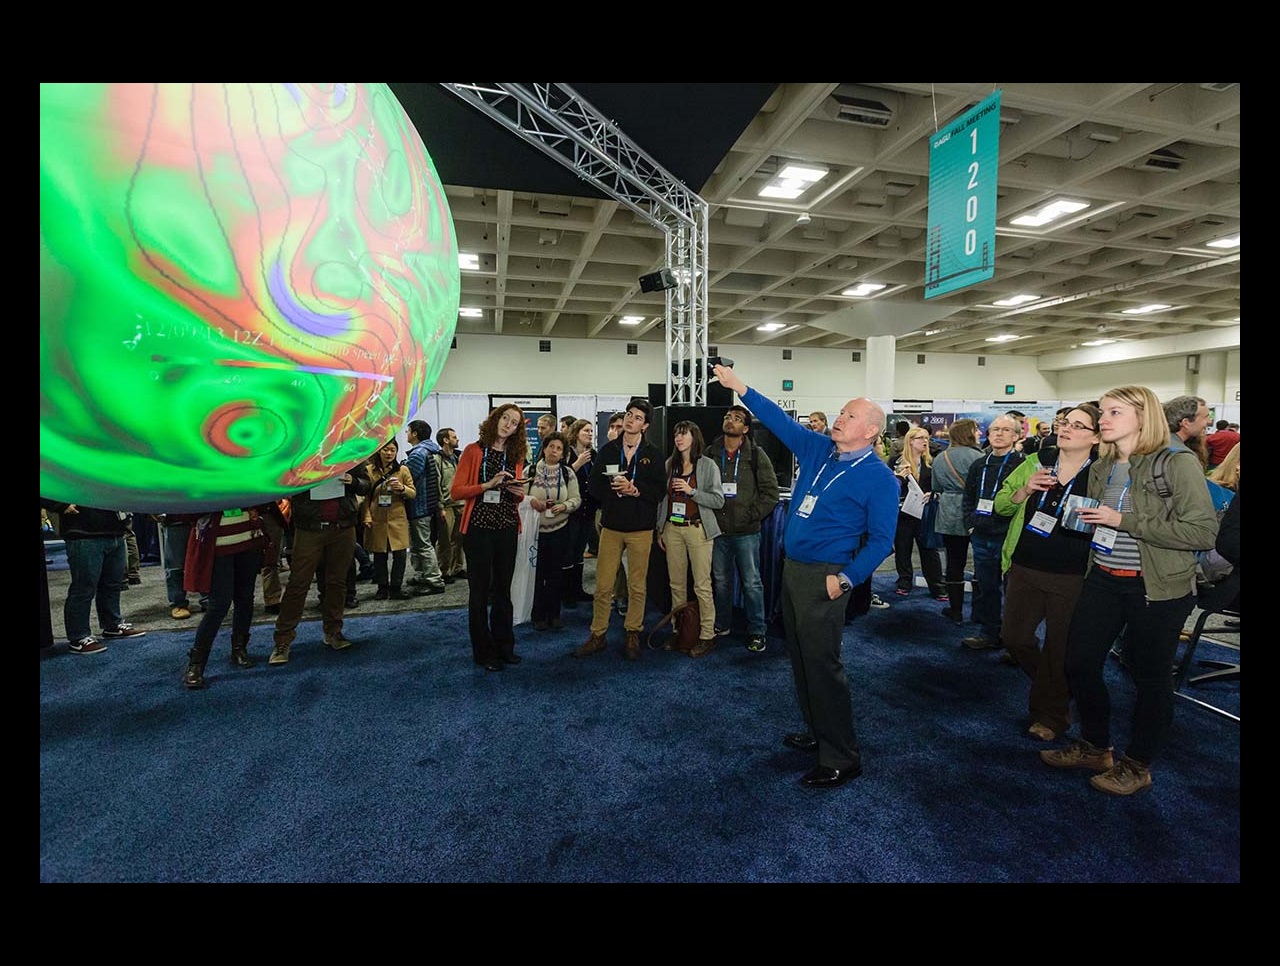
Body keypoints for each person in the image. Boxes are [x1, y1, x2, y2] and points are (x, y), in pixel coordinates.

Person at [715, 363, 898, 787]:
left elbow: (881, 541)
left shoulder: (879, 479)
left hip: (827, 579)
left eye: (850, 415)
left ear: (870, 431)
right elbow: (778, 420)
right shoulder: (819, 451)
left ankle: (842, 756)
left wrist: (846, 580)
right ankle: (818, 732)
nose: (839, 418)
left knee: (822, 666)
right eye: (841, 412)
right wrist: (741, 387)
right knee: (800, 659)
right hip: (794, 571)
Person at [1040, 385, 1218, 796]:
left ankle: (1137, 765)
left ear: (1144, 416)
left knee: (1150, 678)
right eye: (1102, 411)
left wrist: (1124, 521)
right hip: (1103, 576)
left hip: (1157, 587)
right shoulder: (1104, 464)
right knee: (1080, 663)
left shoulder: (1176, 463)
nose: (1103, 419)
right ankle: (1095, 745)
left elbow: (1203, 531)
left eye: (1114, 412)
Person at [993, 404, 1102, 741]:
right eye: (1065, 423)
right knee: (1014, 638)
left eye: (1079, 426)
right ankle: (1057, 689)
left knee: (1059, 647)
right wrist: (1025, 490)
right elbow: (1001, 504)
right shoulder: (1038, 460)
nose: (1066, 429)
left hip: (1072, 573)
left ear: (1096, 437)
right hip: (1025, 563)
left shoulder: (1102, 472)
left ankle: (1050, 716)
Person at [575, 397, 666, 662]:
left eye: (638, 417)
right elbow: (593, 486)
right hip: (612, 526)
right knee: (603, 585)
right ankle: (598, 634)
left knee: (637, 586)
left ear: (645, 425)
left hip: (640, 529)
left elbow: (660, 490)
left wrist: (636, 489)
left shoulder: (653, 454)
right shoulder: (607, 451)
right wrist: (612, 492)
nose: (631, 419)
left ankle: (632, 632)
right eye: (629, 414)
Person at [451, 404, 530, 672]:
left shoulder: (515, 454)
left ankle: (504, 647)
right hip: (479, 530)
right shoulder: (474, 451)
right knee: (479, 592)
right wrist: (488, 484)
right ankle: (483, 652)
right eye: (505, 418)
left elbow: (517, 494)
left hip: (507, 528)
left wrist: (517, 490)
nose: (508, 424)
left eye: (514, 422)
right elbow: (456, 491)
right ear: (494, 419)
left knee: (503, 591)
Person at [268, 461, 371, 665]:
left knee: (337, 582)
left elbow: (366, 485)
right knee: (298, 584)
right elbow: (283, 482)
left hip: (342, 527)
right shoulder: (303, 452)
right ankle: (283, 640)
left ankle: (333, 631)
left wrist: (353, 481)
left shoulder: (347, 450)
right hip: (309, 528)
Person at [181, 503, 282, 688]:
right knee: (219, 605)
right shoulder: (204, 475)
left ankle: (239, 649)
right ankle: (196, 663)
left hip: (248, 540)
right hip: (218, 546)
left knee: (245, 598)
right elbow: (188, 510)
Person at [707, 404, 780, 653]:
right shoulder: (709, 453)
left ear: (746, 428)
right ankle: (722, 624)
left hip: (747, 532)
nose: (730, 421)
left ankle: (757, 630)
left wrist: (751, 516)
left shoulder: (757, 455)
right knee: (721, 582)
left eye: (737, 418)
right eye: (727, 416)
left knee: (752, 583)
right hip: (718, 531)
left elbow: (771, 494)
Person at [38, 499, 147, 654]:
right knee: (84, 587)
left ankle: (112, 624)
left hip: (115, 529)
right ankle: (79, 636)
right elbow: (49, 482)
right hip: (83, 531)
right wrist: (60, 506)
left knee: (112, 583)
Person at [656, 420, 726, 657]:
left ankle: (707, 635)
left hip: (698, 529)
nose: (678, 438)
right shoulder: (670, 464)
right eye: (676, 433)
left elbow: (718, 500)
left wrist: (691, 492)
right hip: (672, 529)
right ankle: (680, 631)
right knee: (676, 584)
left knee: (701, 585)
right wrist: (660, 528)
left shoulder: (708, 466)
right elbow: (662, 500)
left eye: (684, 434)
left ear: (694, 438)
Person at [960, 413, 1025, 651]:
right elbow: (968, 497)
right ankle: (989, 634)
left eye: (1006, 430)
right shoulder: (979, 464)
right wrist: (970, 523)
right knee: (987, 589)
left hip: (1008, 536)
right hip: (981, 535)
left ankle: (1014, 643)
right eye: (995, 429)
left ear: (1017, 436)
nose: (998, 433)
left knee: (1014, 593)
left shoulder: (1023, 465)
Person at [525, 431, 581, 630]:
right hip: (535, 533)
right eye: (551, 447)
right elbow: (520, 500)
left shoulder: (568, 473)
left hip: (560, 530)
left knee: (556, 574)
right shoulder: (530, 471)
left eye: (559, 448)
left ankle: (554, 613)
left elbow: (576, 499)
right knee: (537, 575)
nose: (554, 451)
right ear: (544, 448)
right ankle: (538, 615)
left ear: (563, 452)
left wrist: (564, 506)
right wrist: (533, 502)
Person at [933, 418, 983, 624]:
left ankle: (955, 611)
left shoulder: (940, 458)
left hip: (948, 512)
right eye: (977, 430)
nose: (980, 433)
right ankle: (980, 612)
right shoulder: (980, 458)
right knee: (981, 562)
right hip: (976, 511)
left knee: (954, 562)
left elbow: (936, 487)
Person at [891, 426, 946, 599]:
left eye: (926, 438)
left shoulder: (933, 462)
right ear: (910, 441)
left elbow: (941, 486)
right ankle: (904, 582)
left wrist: (934, 493)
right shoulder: (895, 461)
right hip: (903, 513)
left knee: (930, 550)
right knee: (903, 549)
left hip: (925, 513)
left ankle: (937, 586)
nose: (925, 441)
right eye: (920, 438)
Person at [363, 438, 416, 600]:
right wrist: (366, 516)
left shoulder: (403, 470)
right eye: (386, 450)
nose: (389, 453)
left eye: (393, 450)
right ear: (379, 451)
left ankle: (396, 587)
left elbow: (413, 493)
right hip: (376, 517)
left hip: (397, 518)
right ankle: (382, 587)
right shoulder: (369, 470)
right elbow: (364, 497)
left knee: (400, 555)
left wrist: (402, 488)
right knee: (380, 555)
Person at [403, 420, 447, 596]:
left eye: (408, 431)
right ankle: (422, 575)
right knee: (418, 544)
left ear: (414, 433)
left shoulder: (418, 454)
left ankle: (434, 581)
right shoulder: (430, 450)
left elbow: (407, 478)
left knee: (423, 545)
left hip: (419, 505)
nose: (406, 434)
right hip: (427, 504)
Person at [562, 417, 598, 606]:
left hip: (588, 509)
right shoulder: (567, 453)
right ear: (576, 433)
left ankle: (578, 589)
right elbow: (560, 477)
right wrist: (576, 465)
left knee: (579, 551)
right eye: (586, 431)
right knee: (568, 551)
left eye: (591, 431)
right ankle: (566, 592)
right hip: (571, 511)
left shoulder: (593, 454)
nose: (590, 434)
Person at [433, 427, 467, 583]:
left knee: (459, 539)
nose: (457, 439)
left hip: (462, 503)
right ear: (445, 440)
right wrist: (440, 506)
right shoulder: (437, 459)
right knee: (445, 540)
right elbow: (437, 483)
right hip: (446, 505)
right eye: (454, 437)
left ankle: (458, 568)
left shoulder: (459, 458)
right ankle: (444, 570)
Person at [1162, 395, 1212, 470]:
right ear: (1186, 423)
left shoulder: (1158, 444)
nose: (1209, 421)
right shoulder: (1182, 457)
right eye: (1205, 417)